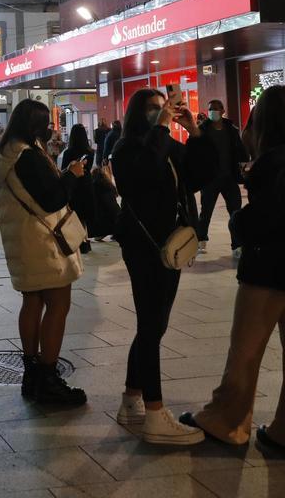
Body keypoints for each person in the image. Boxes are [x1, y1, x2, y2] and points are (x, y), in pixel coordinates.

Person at [185, 85, 285, 460]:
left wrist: (237, 223)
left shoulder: (276, 165)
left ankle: (227, 422)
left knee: (245, 350)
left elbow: (263, 220)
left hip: (272, 273)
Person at [111, 87, 216, 444]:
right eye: (152, 109)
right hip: (143, 246)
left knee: (154, 325)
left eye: (163, 107)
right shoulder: (125, 149)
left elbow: (202, 174)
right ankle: (154, 413)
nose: (160, 112)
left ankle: (131, 398)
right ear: (137, 114)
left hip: (170, 244)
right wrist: (161, 127)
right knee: (151, 325)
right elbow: (144, 172)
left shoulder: (166, 144)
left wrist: (195, 132)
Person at [0, 99, 87, 405]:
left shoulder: (5, 152)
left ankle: (32, 373)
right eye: (46, 124)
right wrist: (72, 175)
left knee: (32, 301)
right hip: (42, 242)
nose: (49, 128)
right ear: (34, 126)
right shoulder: (27, 155)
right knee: (58, 304)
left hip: (22, 239)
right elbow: (52, 199)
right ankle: (48, 378)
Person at [196, 100, 249, 255]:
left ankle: (237, 244)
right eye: (210, 109)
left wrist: (244, 168)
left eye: (215, 109)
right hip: (210, 179)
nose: (213, 112)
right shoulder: (203, 129)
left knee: (235, 211)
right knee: (206, 211)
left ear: (223, 111)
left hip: (229, 177)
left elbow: (240, 150)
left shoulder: (231, 129)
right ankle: (201, 239)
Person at [60, 124, 96, 241]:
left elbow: (64, 170)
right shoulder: (90, 152)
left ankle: (78, 241)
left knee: (74, 215)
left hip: (74, 185)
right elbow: (88, 168)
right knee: (84, 215)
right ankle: (85, 239)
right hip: (86, 183)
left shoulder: (68, 153)